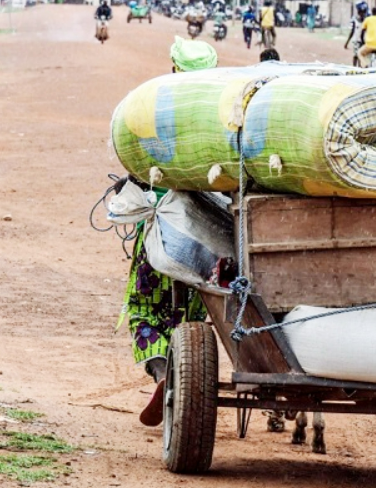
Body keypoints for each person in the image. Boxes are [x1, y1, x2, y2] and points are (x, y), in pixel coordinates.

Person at [118, 36, 217, 428]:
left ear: (175, 69)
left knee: (143, 307)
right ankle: (188, 360)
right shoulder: (222, 113)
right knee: (196, 311)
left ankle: (163, 372)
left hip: (163, 229)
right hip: (210, 238)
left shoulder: (153, 109)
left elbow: (136, 163)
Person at [344, 2, 368, 67]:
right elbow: (352, 31)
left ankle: (359, 69)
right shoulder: (355, 20)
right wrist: (347, 42)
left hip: (364, 41)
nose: (362, 14)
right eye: (361, 12)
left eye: (364, 12)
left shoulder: (366, 20)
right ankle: (354, 68)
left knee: (360, 56)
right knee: (355, 55)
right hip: (356, 40)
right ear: (358, 12)